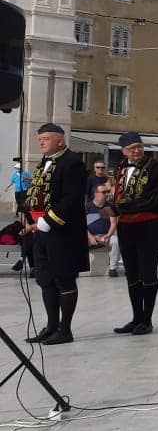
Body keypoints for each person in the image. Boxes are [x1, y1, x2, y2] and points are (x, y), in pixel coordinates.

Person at [23, 124, 88, 345]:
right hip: (42, 229)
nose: (41, 142)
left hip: (62, 230)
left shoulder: (73, 163)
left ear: (60, 140)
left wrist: (49, 221)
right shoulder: (45, 162)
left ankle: (65, 329)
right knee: (45, 279)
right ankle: (51, 326)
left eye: (46, 138)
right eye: (40, 138)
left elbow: (71, 199)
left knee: (64, 278)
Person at [111, 132, 158, 335]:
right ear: (123, 151)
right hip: (126, 226)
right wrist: (112, 207)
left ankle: (147, 319)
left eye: (139, 147)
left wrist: (123, 208)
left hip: (148, 225)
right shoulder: (120, 167)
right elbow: (118, 194)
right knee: (131, 273)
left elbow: (153, 198)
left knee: (147, 271)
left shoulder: (156, 167)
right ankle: (136, 317)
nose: (137, 151)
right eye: (132, 148)